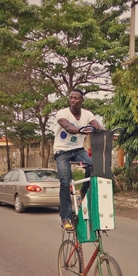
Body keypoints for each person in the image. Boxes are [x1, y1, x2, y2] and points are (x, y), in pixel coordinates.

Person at [53, 89, 102, 230]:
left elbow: (97, 126)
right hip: (62, 151)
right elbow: (67, 126)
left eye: (76, 98)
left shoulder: (87, 114)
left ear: (82, 100)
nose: (73, 100)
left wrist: (105, 132)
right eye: (71, 98)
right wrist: (81, 130)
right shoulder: (62, 113)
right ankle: (66, 218)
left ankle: (83, 192)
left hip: (78, 150)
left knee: (93, 166)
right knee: (65, 182)